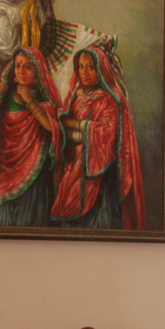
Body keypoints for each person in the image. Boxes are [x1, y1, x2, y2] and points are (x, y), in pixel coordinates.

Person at [52, 46, 146, 230]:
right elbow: (62, 126)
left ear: (101, 69)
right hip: (73, 169)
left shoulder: (110, 99)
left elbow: (106, 136)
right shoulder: (75, 98)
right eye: (80, 67)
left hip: (100, 176)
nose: (84, 72)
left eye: (90, 67)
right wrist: (86, 127)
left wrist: (74, 126)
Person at [0, 46, 62, 227]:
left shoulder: (42, 98)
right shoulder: (6, 95)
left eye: (27, 67)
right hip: (8, 167)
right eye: (17, 66)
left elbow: (52, 127)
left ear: (37, 71)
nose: (21, 71)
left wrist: (30, 101)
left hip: (36, 171)